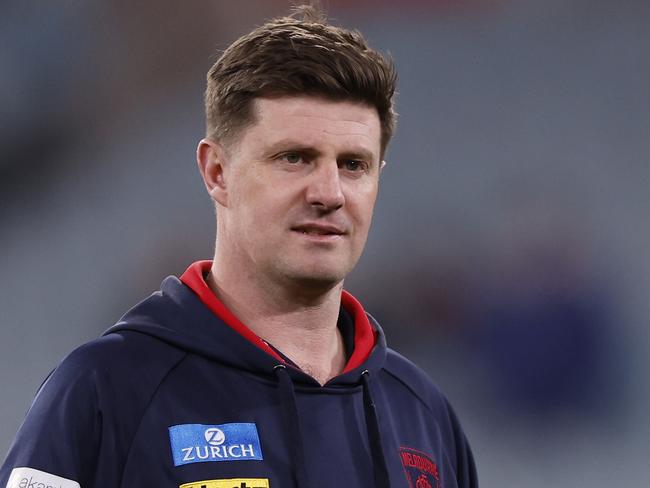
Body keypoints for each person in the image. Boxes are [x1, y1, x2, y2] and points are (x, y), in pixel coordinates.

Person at [0, 6, 477, 488]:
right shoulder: (106, 389)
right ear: (217, 172)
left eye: (354, 165)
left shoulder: (423, 414)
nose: (330, 193)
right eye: (294, 158)